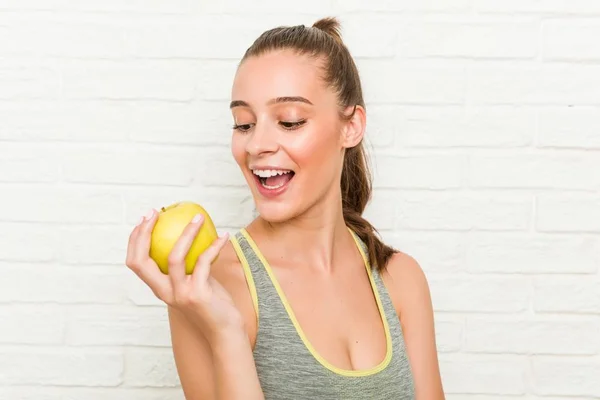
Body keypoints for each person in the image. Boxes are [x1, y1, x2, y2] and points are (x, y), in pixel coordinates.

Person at [126, 16, 445, 400]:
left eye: (289, 121)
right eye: (243, 124)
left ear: (351, 126)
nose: (257, 144)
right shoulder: (207, 287)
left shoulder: (400, 279)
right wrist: (226, 332)